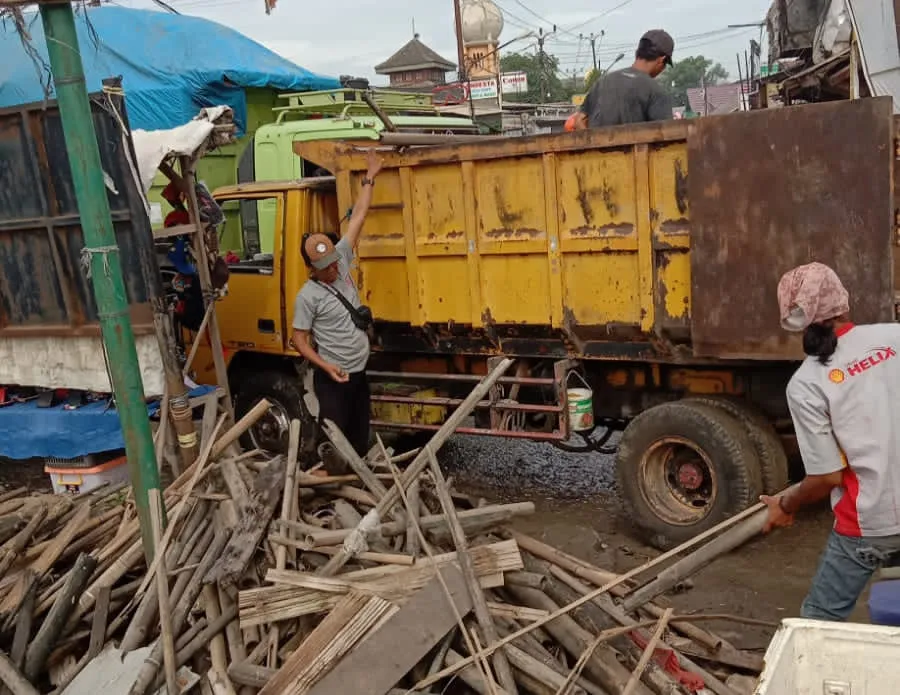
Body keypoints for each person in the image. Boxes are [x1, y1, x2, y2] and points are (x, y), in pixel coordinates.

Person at [762, 262, 900, 621]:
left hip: (868, 526)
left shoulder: (806, 383)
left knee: (816, 623)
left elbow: (826, 478)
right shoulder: (895, 337)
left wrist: (785, 505)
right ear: (843, 300)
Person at [291, 150, 383, 456]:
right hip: (333, 379)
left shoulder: (342, 258)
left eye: (333, 262)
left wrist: (370, 176)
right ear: (312, 268)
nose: (334, 268)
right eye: (326, 266)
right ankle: (330, 495)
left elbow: (358, 216)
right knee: (334, 443)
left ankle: (358, 491)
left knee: (359, 438)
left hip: (359, 373)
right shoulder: (307, 297)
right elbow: (299, 340)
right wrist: (325, 366)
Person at [573, 29, 675, 130]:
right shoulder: (656, 92)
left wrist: (595, 144)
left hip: (597, 145)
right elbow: (666, 134)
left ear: (637, 53)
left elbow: (579, 121)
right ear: (661, 61)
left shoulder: (602, 82)